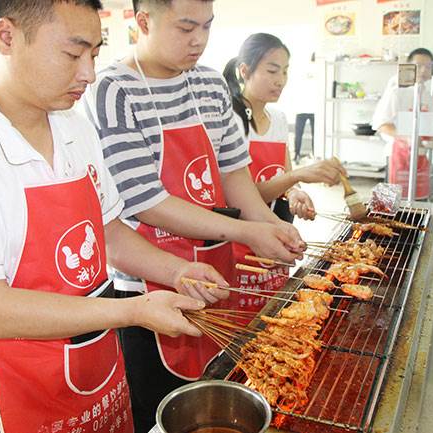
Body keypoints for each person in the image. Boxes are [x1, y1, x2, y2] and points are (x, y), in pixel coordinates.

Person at [0, 2, 230, 433]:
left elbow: (110, 232)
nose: (89, 73)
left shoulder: (74, 127)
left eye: (95, 54)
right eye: (72, 53)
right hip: (12, 387)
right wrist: (134, 311)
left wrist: (178, 271)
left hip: (95, 365)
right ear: (7, 37)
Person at [83, 1, 305, 431]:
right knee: (162, 410)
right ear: (143, 21)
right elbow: (146, 201)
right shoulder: (113, 89)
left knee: (222, 389)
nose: (199, 40)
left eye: (206, 26)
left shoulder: (208, 83)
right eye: (186, 27)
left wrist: (271, 225)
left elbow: (234, 176)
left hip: (217, 271)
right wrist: (247, 230)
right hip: (148, 282)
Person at [223, 33, 347, 309]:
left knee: (272, 311)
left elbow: (283, 174)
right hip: (242, 236)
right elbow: (239, 194)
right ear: (245, 71)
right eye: (271, 70)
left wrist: (294, 193)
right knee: (243, 320)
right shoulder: (229, 120)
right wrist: (296, 176)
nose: (280, 80)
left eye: (285, 71)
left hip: (277, 229)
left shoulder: (278, 119)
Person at [372, 47, 433, 200]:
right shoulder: (397, 92)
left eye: (428, 66)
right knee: (393, 206)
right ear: (409, 66)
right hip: (397, 159)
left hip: (420, 160)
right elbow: (381, 124)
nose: (423, 70)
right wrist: (407, 138)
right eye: (419, 65)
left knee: (419, 204)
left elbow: (431, 130)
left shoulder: (428, 98)